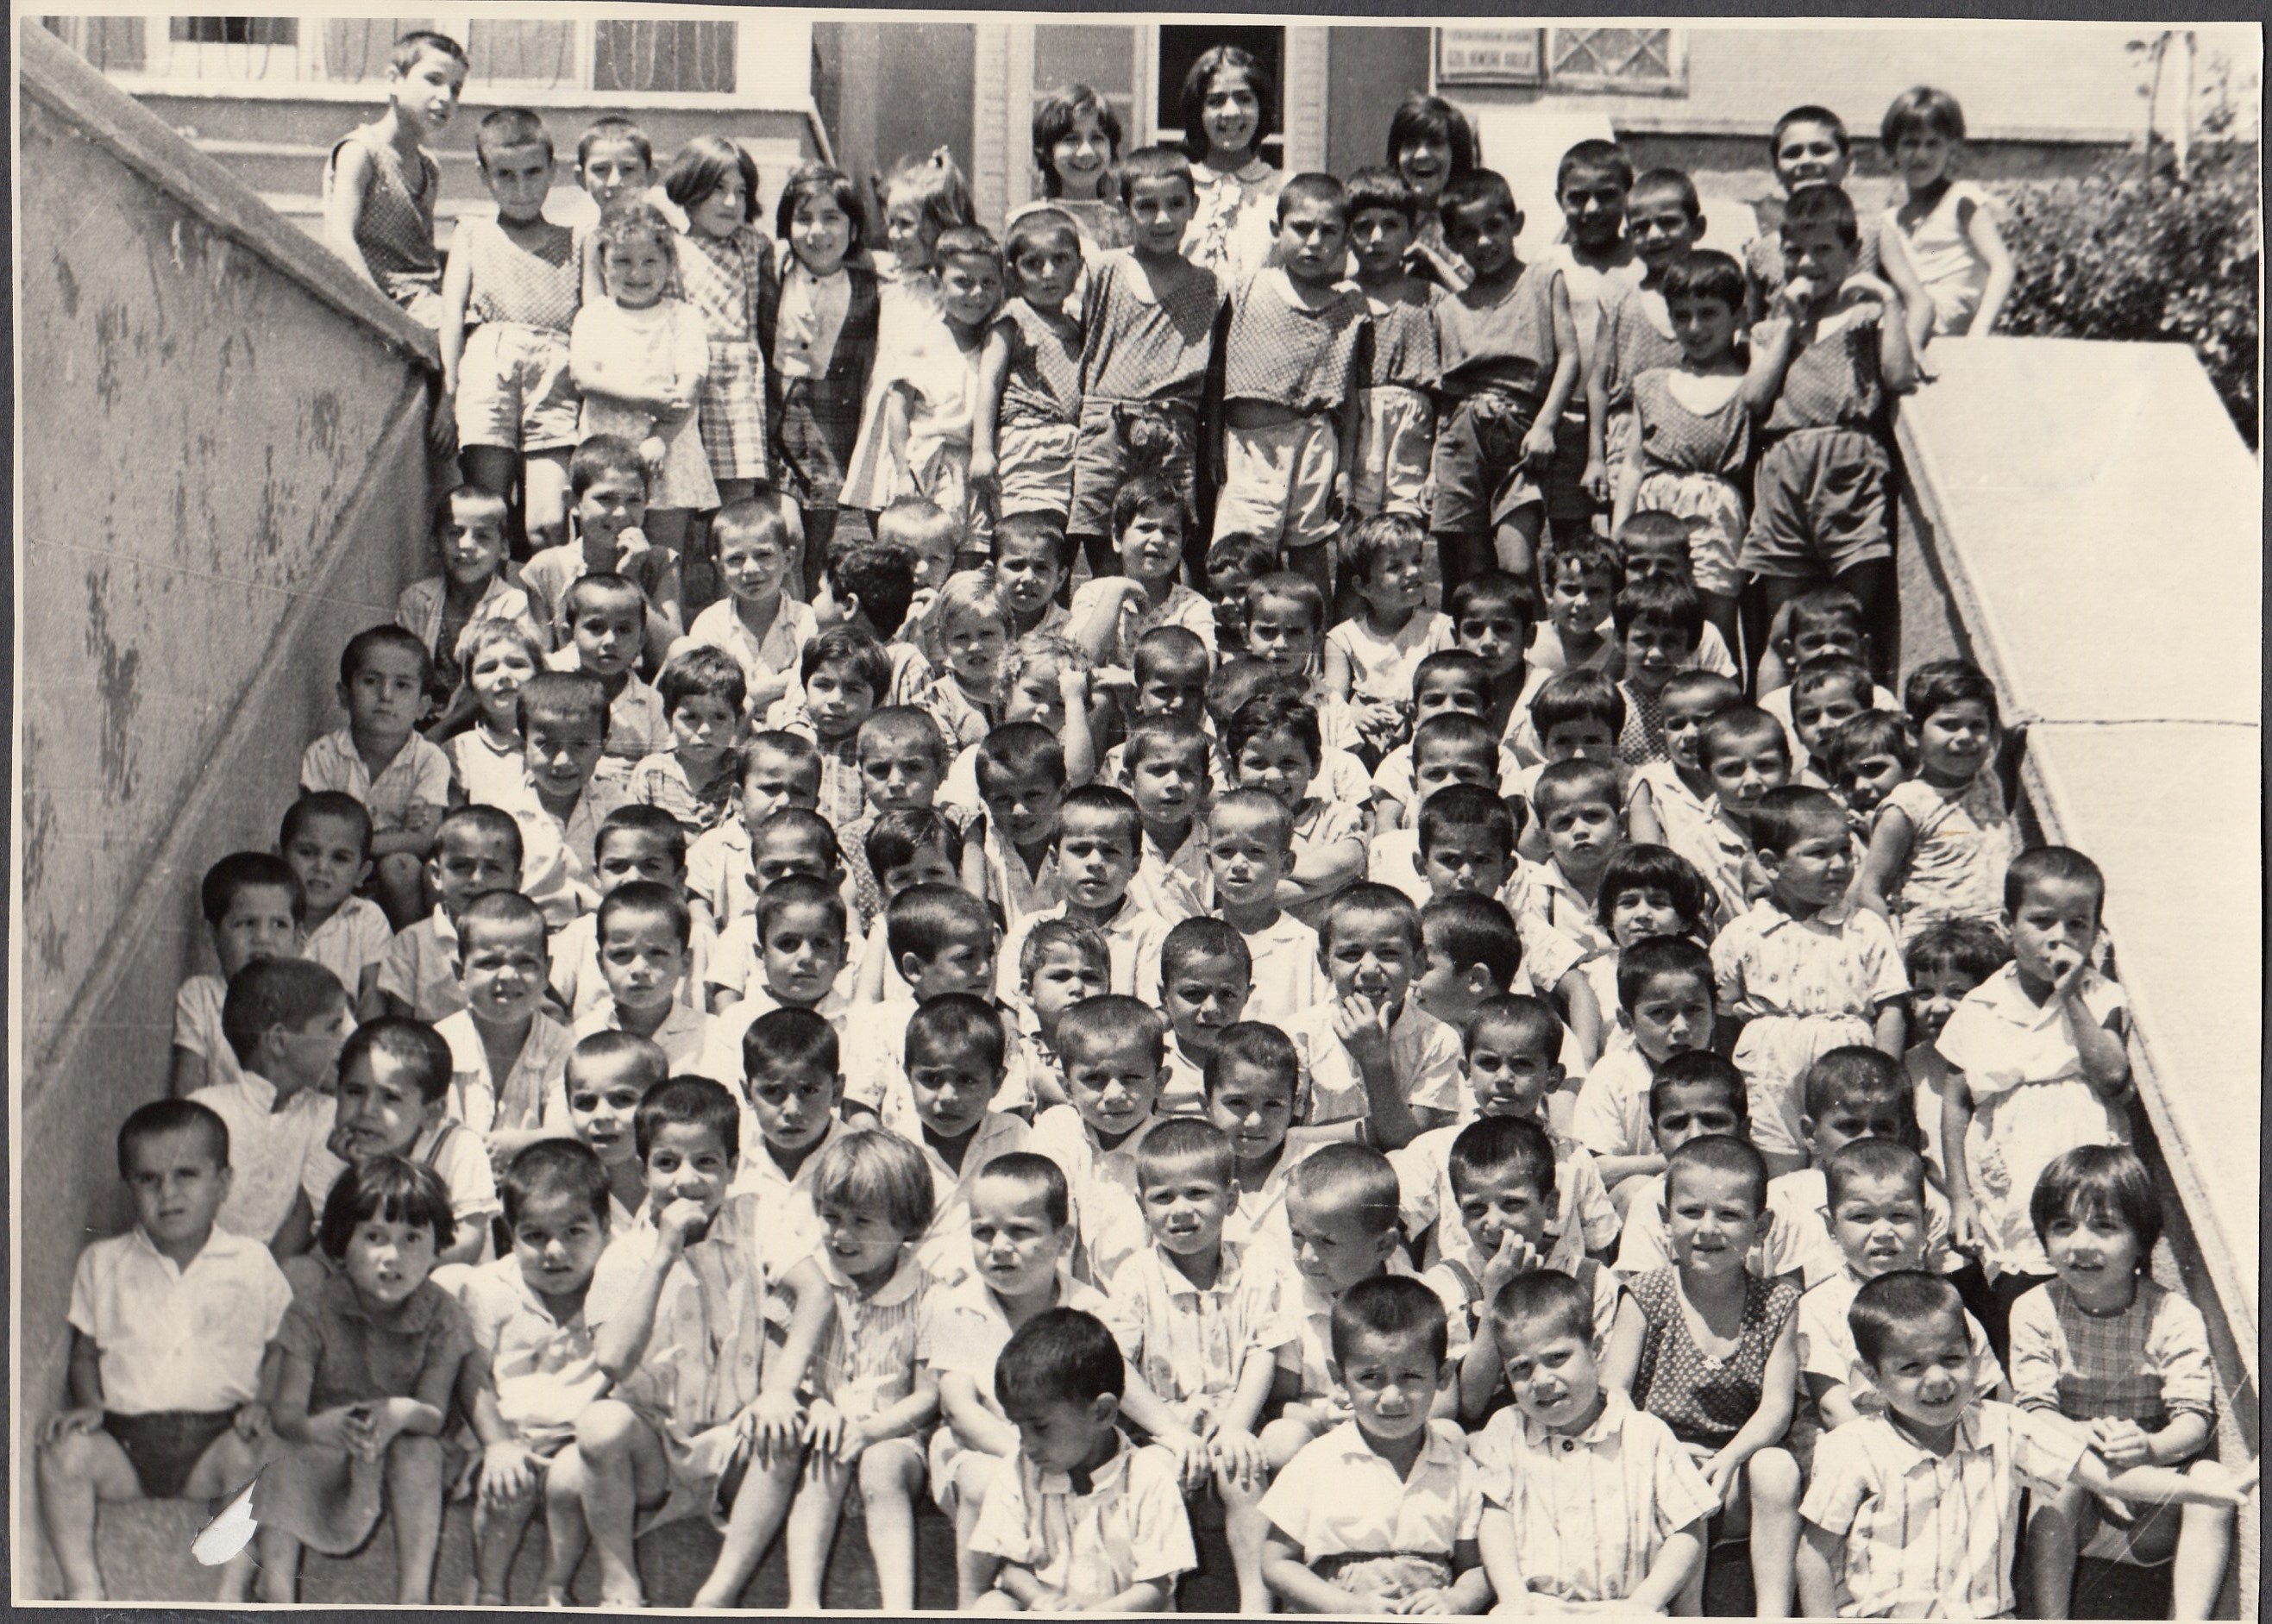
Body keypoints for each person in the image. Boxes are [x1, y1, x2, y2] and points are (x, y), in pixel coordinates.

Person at [1795, 1270, 2251, 1620]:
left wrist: (2207, 1491)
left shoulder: (2004, 1427)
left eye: (1952, 1359)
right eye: (1910, 1367)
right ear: (1872, 1377)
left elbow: (2105, 1474)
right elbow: (1815, 1555)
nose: (1937, 1379)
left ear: (1974, 1356)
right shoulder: (1853, 1448)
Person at [561, 1075, 829, 1608]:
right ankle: (620, 1577)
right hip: (657, 1451)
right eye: (667, 1164)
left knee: (788, 1429)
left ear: (732, 1169)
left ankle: (718, 1595)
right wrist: (662, 1256)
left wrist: (779, 1389)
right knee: (598, 1424)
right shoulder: (626, 1255)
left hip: (734, 1442)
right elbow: (611, 1360)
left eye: (707, 1163)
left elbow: (816, 1294)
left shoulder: (756, 1219)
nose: (687, 1180)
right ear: (642, 1171)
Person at [37, 1100, 289, 1602]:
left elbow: (281, 1349)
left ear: (223, 1182)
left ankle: (233, 1588)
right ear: (128, 1186)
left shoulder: (252, 1262)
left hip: (217, 1438)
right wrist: (90, 1405)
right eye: (148, 1179)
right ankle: (82, 1586)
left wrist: (265, 1405)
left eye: (186, 1175)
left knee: (254, 1459)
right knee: (60, 1456)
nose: (167, 1193)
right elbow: (85, 1354)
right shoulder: (102, 1261)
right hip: (126, 1443)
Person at [2014, 1146, 2237, 1619]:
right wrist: (2081, 1435)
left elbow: (2195, 1419)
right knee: (2060, 1476)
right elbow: (2034, 1411)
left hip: (2150, 1507)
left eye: (2105, 1226)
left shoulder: (2172, 1314)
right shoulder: (2035, 1308)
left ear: (2141, 1241)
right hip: (2081, 1512)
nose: (2080, 1243)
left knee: (2214, 1478)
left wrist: (2151, 1448)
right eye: (2062, 1227)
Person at [1936, 846, 2132, 1351]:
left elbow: (2111, 1076)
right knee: (2020, 1281)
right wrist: (1960, 1197)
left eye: (2077, 925)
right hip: (2013, 1161)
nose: (2060, 938)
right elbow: (1955, 1101)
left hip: (2082, 1153)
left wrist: (2070, 997)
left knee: (2094, 1262)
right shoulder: (1982, 1006)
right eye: (2043, 922)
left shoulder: (2100, 995)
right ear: (2008, 923)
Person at [253, 1157, 474, 1602]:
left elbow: (432, 1414)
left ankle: (414, 1597)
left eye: (413, 1239)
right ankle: (276, 1591)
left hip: (401, 1453)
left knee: (421, 1452)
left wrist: (399, 1414)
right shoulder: (312, 1309)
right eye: (374, 1238)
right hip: (327, 1444)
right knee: (279, 1450)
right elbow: (287, 1412)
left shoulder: (443, 1315)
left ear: (436, 1247)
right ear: (340, 1245)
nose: (393, 1256)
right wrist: (321, 1427)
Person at [1101, 1117, 1294, 1614]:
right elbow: (1117, 1364)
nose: (1181, 1211)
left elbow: (1262, 1351)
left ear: (1230, 1199)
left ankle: (1257, 1601)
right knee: (1152, 1473)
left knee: (1242, 1470)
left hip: (1235, 1415)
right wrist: (1170, 1432)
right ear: (1141, 1207)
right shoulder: (1135, 1274)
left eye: (1197, 1194)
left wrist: (1235, 1426)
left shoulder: (1255, 1264)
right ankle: (1156, 1601)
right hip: (1164, 1425)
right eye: (1163, 1198)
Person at [1605, 1134, 1804, 1616]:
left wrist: (1731, 1458)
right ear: (1664, 1218)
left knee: (1777, 1469)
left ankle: (1773, 1613)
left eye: (1729, 1215)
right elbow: (1613, 1391)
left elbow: (1777, 1405)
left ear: (1761, 1227)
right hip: (1654, 1469)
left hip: (1731, 1472)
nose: (1708, 1229)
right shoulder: (1645, 1294)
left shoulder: (1776, 1303)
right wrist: (1662, 1455)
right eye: (1691, 1212)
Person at [754, 1129, 941, 1612]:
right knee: (827, 1452)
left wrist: (873, 1429)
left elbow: (926, 1396)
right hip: (828, 1423)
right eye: (831, 1217)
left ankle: (899, 1608)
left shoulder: (928, 1290)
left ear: (907, 1226)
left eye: (862, 1221)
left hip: (896, 1433)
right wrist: (818, 1405)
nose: (841, 1235)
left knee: (880, 1466)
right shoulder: (812, 1281)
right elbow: (780, 1373)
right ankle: (804, 1602)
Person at [1738, 185, 1918, 674]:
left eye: (1823, 250)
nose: (1807, 263)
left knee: (1851, 622)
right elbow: (1754, 399)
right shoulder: (1770, 330)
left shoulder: (1866, 318)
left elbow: (1900, 377)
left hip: (1851, 471)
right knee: (1783, 629)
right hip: (1785, 472)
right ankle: (1776, 733)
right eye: (1795, 252)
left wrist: (1890, 301)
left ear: (1853, 253)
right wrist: (1788, 328)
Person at [917, 1152, 1109, 1605]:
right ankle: (971, 1600)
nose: (999, 1246)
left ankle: (1062, 1590)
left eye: (1020, 1231)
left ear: (1063, 1241)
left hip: (1057, 1451)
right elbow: (959, 1410)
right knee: (985, 1480)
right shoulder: (956, 1306)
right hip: (978, 1448)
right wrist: (1026, 1457)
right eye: (983, 1231)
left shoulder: (1090, 1309)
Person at [1260, 1275, 1492, 1613]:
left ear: (1441, 1377)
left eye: (1411, 1377)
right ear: (1340, 1380)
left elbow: (1475, 1568)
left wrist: (1456, 1600)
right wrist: (1345, 1606)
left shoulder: (1457, 1469)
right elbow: (1276, 1563)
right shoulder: (1316, 1463)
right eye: (1371, 1378)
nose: (1393, 1397)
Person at [1712, 786, 1910, 1176]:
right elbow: (1720, 1014)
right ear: (1771, 864)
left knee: (1848, 1164)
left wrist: (1884, 1076)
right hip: (1769, 1069)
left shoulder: (1864, 927)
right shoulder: (1743, 933)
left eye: (1846, 852)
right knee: (1776, 1165)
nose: (1838, 864)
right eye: (1820, 853)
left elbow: (1891, 1007)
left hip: (1849, 1066)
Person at [455, 1139, 615, 1604]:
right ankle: (488, 1590)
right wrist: (498, 1443)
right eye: (535, 1235)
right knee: (507, 1482)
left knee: (575, 1475)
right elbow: (474, 1377)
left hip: (575, 1444)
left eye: (575, 1231)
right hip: (509, 1438)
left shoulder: (615, 1282)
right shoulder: (489, 1289)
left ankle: (554, 1584)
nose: (555, 1250)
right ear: (510, 1232)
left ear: (605, 1227)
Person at [966, 1307, 1199, 1610]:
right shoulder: (1018, 1470)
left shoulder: (1149, 1477)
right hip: (1050, 1613)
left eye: (1040, 1427)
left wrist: (1091, 1616)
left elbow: (1156, 1588)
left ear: (1102, 1413)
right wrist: (1040, 1600)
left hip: (1121, 1615)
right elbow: (1012, 1567)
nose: (1027, 1444)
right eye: (1018, 1427)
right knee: (991, 1606)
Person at [1067, 147, 1225, 580]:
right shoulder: (1102, 270)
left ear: (1193, 206)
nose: (1162, 219)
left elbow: (1214, 378)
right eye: (1147, 206)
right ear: (1124, 209)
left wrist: (1212, 446)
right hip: (1107, 431)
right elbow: (1075, 345)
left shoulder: (1209, 285)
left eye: (1175, 204)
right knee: (1105, 552)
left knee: (1163, 548)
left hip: (1174, 432)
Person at [1213, 174, 1370, 599]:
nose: (1314, 241)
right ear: (1276, 231)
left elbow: (1351, 399)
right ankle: (1240, 658)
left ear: (1345, 240)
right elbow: (1216, 374)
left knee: (1309, 554)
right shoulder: (1246, 288)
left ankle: (1311, 656)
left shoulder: (1349, 305)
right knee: (1242, 559)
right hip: (1251, 447)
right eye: (1301, 228)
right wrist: (1211, 444)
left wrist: (1343, 471)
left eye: (1328, 231)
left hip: (1314, 445)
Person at [1428, 169, 1580, 590]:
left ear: (1516, 223)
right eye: (1468, 233)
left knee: (1517, 564)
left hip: (1523, 437)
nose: (1483, 242)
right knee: (1474, 569)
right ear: (1453, 243)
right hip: (1462, 439)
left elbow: (1569, 356)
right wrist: (1431, 471)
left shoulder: (1543, 279)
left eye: (1493, 227)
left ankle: (1529, 651)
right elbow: (1445, 396)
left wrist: (1547, 423)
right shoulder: (1449, 308)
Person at [1427, 1116, 1632, 1424]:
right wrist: (1495, 1295)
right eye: (1476, 1209)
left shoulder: (1590, 1279)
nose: (1493, 1223)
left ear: (1550, 1205)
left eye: (1512, 1205)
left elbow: (1605, 1389)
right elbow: (1469, 1404)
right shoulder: (1448, 1282)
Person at [439, 110, 580, 554]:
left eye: (533, 172)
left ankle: (550, 620)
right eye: (505, 175)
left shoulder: (578, 239)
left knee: (548, 525)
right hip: (488, 372)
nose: (521, 188)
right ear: (484, 176)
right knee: (487, 513)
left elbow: (594, 324)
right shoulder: (473, 234)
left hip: (555, 379)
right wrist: (447, 393)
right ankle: (492, 619)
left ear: (552, 171)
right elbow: (451, 313)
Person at [1795, 1138, 2002, 1439]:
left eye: (1900, 1216)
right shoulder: (1820, 1306)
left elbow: (1987, 1390)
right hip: (1853, 1440)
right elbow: (1833, 1409)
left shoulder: (1942, 1301)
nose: (1883, 1232)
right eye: (1862, 1217)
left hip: (1937, 1437)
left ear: (1926, 1221)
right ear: (1831, 1226)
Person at [1262, 1144, 1426, 1458]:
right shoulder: (1288, 1298)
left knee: (1449, 1434)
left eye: (1328, 1242)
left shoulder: (1418, 1298)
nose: (1307, 1257)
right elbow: (1279, 1401)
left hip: (1400, 1437)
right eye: (1298, 1236)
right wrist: (1321, 1415)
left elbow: (1445, 1402)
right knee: (1279, 1438)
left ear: (1384, 1245)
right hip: (1323, 1440)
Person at [570, 203, 717, 536]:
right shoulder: (594, 316)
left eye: (649, 261)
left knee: (664, 556)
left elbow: (690, 387)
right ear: (604, 265)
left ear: (669, 264)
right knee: (603, 550)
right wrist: (646, 400)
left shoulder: (683, 317)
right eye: (623, 261)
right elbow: (584, 378)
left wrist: (659, 439)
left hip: (668, 453)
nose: (637, 273)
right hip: (606, 457)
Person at [662, 135, 776, 561]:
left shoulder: (750, 244)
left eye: (740, 192)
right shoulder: (670, 248)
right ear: (689, 189)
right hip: (689, 379)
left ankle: (730, 602)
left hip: (736, 388)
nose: (731, 202)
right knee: (682, 497)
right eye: (717, 189)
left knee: (736, 511)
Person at [1281, 883, 1464, 1147]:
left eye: (1388, 953)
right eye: (1350, 954)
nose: (1368, 968)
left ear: (1419, 963)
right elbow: (1280, 1136)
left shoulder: (1437, 1040)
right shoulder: (1301, 1034)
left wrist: (1374, 1060)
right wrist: (1371, 1129)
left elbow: (1407, 1141)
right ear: (1325, 964)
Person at [189, 958, 351, 1251]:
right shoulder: (208, 1110)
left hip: (275, 1278)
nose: (343, 1041)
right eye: (333, 1027)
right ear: (278, 1041)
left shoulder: (326, 1116)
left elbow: (304, 1218)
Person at [1859, 659, 2022, 944]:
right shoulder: (1907, 806)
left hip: (1996, 944)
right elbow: (1871, 887)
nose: (1965, 737)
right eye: (1949, 725)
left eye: (1977, 726)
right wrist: (1889, 954)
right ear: (1912, 732)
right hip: (1935, 953)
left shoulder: (1988, 781)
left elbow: (1996, 816)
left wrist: (2009, 744)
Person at [770, 163, 881, 585]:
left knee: (814, 549)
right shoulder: (776, 272)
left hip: (831, 427)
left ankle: (800, 630)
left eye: (831, 217)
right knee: (786, 537)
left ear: (853, 229)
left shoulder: (871, 281)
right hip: (777, 424)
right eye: (804, 218)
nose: (817, 232)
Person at [301, 624, 453, 928]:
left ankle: (409, 944)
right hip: (338, 869)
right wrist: (396, 836)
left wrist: (352, 842)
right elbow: (318, 833)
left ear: (423, 705)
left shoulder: (429, 759)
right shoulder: (323, 755)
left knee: (401, 866)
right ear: (344, 695)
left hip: (396, 880)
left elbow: (422, 840)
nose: (385, 696)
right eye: (371, 681)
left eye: (402, 686)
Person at [1026, 994, 1173, 1289]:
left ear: (1160, 1082)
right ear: (1067, 1088)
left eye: (1131, 1077)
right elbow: (1055, 1232)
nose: (1115, 1094)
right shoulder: (1058, 1130)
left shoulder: (1170, 1148)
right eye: (1095, 1079)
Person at [326, 1018, 500, 1266]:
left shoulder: (458, 1146)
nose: (367, 1109)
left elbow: (469, 1240)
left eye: (390, 1097)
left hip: (443, 1278)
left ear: (432, 1113)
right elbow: (333, 1242)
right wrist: (361, 1174)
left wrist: (408, 1264)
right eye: (354, 1091)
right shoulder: (335, 1147)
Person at [321, 30, 465, 323]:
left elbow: (420, 258)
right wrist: (381, 315)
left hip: (427, 302)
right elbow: (339, 239)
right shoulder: (362, 152)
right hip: (387, 304)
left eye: (456, 89)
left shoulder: (429, 167)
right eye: (434, 80)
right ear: (393, 80)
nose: (446, 97)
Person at [1585, 168, 1702, 514]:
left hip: (1693, 431)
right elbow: (1599, 382)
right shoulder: (1619, 294)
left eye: (1668, 223)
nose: (1655, 236)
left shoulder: (1711, 296)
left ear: (1697, 228)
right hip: (1627, 439)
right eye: (1641, 228)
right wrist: (1595, 458)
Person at [893, 994, 1035, 1276]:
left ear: (997, 1083)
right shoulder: (894, 1147)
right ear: (908, 1075)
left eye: (967, 1080)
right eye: (931, 1079)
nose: (947, 1096)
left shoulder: (1015, 1138)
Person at [881, 226, 1003, 549]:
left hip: (975, 467)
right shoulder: (921, 337)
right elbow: (898, 409)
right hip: (930, 464)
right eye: (964, 282)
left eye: (988, 282)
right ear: (938, 283)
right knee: (929, 553)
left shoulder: (995, 342)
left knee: (974, 555)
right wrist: (903, 472)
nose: (977, 293)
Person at [995, 785, 1170, 1007]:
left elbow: (1155, 1017)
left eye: (1111, 851)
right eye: (1080, 849)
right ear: (1055, 859)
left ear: (1135, 865)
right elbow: (1007, 1011)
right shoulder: (1028, 930)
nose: (1095, 862)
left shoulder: (1150, 935)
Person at [434, 889, 574, 1165]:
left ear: (546, 973)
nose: (509, 975)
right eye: (490, 962)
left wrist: (526, 1143)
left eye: (525, 962)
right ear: (460, 973)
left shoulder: (564, 1047)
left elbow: (569, 1134)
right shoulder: (439, 1045)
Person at [519, 436, 681, 667]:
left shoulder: (661, 561)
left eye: (634, 500)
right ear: (572, 501)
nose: (621, 513)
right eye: (605, 498)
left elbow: (675, 658)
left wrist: (630, 580)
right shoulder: (546, 567)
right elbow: (538, 660)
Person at [395, 486, 545, 728]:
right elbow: (404, 670)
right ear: (434, 542)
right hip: (420, 724)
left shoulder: (513, 605)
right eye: (455, 533)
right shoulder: (416, 599)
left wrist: (439, 735)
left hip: (487, 722)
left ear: (504, 548)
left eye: (482, 536)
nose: (466, 545)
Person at [974, 210, 1085, 529]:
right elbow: (989, 383)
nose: (1048, 273)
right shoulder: (1013, 319)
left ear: (1078, 267)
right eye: (1033, 264)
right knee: (1027, 536)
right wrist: (982, 449)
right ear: (1012, 273)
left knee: (1058, 544)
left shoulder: (1075, 327)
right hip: (1026, 444)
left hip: (1068, 449)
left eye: (1060, 261)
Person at [1343, 168, 1440, 524]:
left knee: (1405, 532)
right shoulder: (1341, 297)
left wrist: (1437, 468)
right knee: (1354, 534)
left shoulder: (1430, 298)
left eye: (1390, 225)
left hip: (1413, 431)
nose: (1377, 237)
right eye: (1363, 226)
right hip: (1356, 433)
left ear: (1412, 232)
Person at [1879, 87, 2014, 339]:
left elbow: (2002, 266)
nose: (1921, 155)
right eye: (1910, 143)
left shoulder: (1961, 200)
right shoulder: (1891, 220)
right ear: (1892, 150)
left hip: (1954, 319)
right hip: (1913, 319)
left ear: (1951, 148)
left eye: (1933, 144)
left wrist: (1980, 329)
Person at [1225, 689, 1366, 926]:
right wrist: (1327, 884)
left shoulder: (1333, 816)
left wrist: (1262, 883)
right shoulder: (1227, 820)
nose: (1273, 776)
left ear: (1314, 766)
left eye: (1288, 763)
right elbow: (1234, 896)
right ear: (1234, 769)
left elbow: (1348, 861)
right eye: (1258, 763)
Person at [1325, 513, 1455, 765]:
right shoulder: (1343, 638)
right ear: (1363, 586)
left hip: (1424, 743)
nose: (1414, 571)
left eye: (1417, 560)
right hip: (1363, 748)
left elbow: (1450, 689)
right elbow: (1333, 703)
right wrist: (1354, 714)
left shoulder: (1439, 629)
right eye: (1395, 567)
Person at [672, 498, 815, 725]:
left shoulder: (805, 619)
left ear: (788, 559)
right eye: (736, 559)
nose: (750, 569)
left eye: (763, 555)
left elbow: (814, 686)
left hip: (788, 732)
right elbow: (709, 696)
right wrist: (783, 682)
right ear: (720, 567)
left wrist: (746, 694)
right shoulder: (711, 623)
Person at [378, 803, 523, 1023]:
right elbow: (400, 1027)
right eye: (462, 866)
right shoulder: (412, 943)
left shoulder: (523, 940)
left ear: (516, 882)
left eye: (493, 869)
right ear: (436, 874)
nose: (477, 880)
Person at [1205, 788, 1334, 1029]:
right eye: (1225, 851)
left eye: (1256, 852)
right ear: (1208, 861)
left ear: (1286, 865)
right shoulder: (1196, 941)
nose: (1239, 865)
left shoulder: (1306, 946)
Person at [1899, 917, 2007, 1182]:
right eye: (1925, 993)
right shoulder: (1912, 1067)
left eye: (1957, 993)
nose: (1938, 1007)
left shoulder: (2004, 1058)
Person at [1178, 43, 1283, 286]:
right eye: (1216, 101)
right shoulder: (1177, 185)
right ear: (1198, 111)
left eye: (1244, 99)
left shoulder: (1284, 189)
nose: (1232, 112)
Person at [278, 794, 390, 1020]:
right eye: (307, 852)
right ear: (279, 857)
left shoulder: (366, 918)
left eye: (339, 858)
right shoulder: (269, 915)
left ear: (361, 873)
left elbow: (374, 992)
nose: (321, 867)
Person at [627, 646, 745, 840]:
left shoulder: (743, 773)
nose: (705, 730)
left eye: (719, 717)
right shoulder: (652, 773)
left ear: (738, 719)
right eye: (691, 717)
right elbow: (634, 837)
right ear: (668, 718)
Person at [1121, 716, 1214, 924]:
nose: (1174, 783)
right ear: (1128, 782)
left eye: (1187, 772)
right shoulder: (1114, 844)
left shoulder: (1216, 848)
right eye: (1159, 770)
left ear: (1205, 787)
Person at [1153, 918, 1251, 1113]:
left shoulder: (1257, 1062)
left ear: (1247, 996)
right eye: (1194, 994)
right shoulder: (1148, 1060)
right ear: (1164, 995)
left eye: (1227, 994)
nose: (1211, 1008)